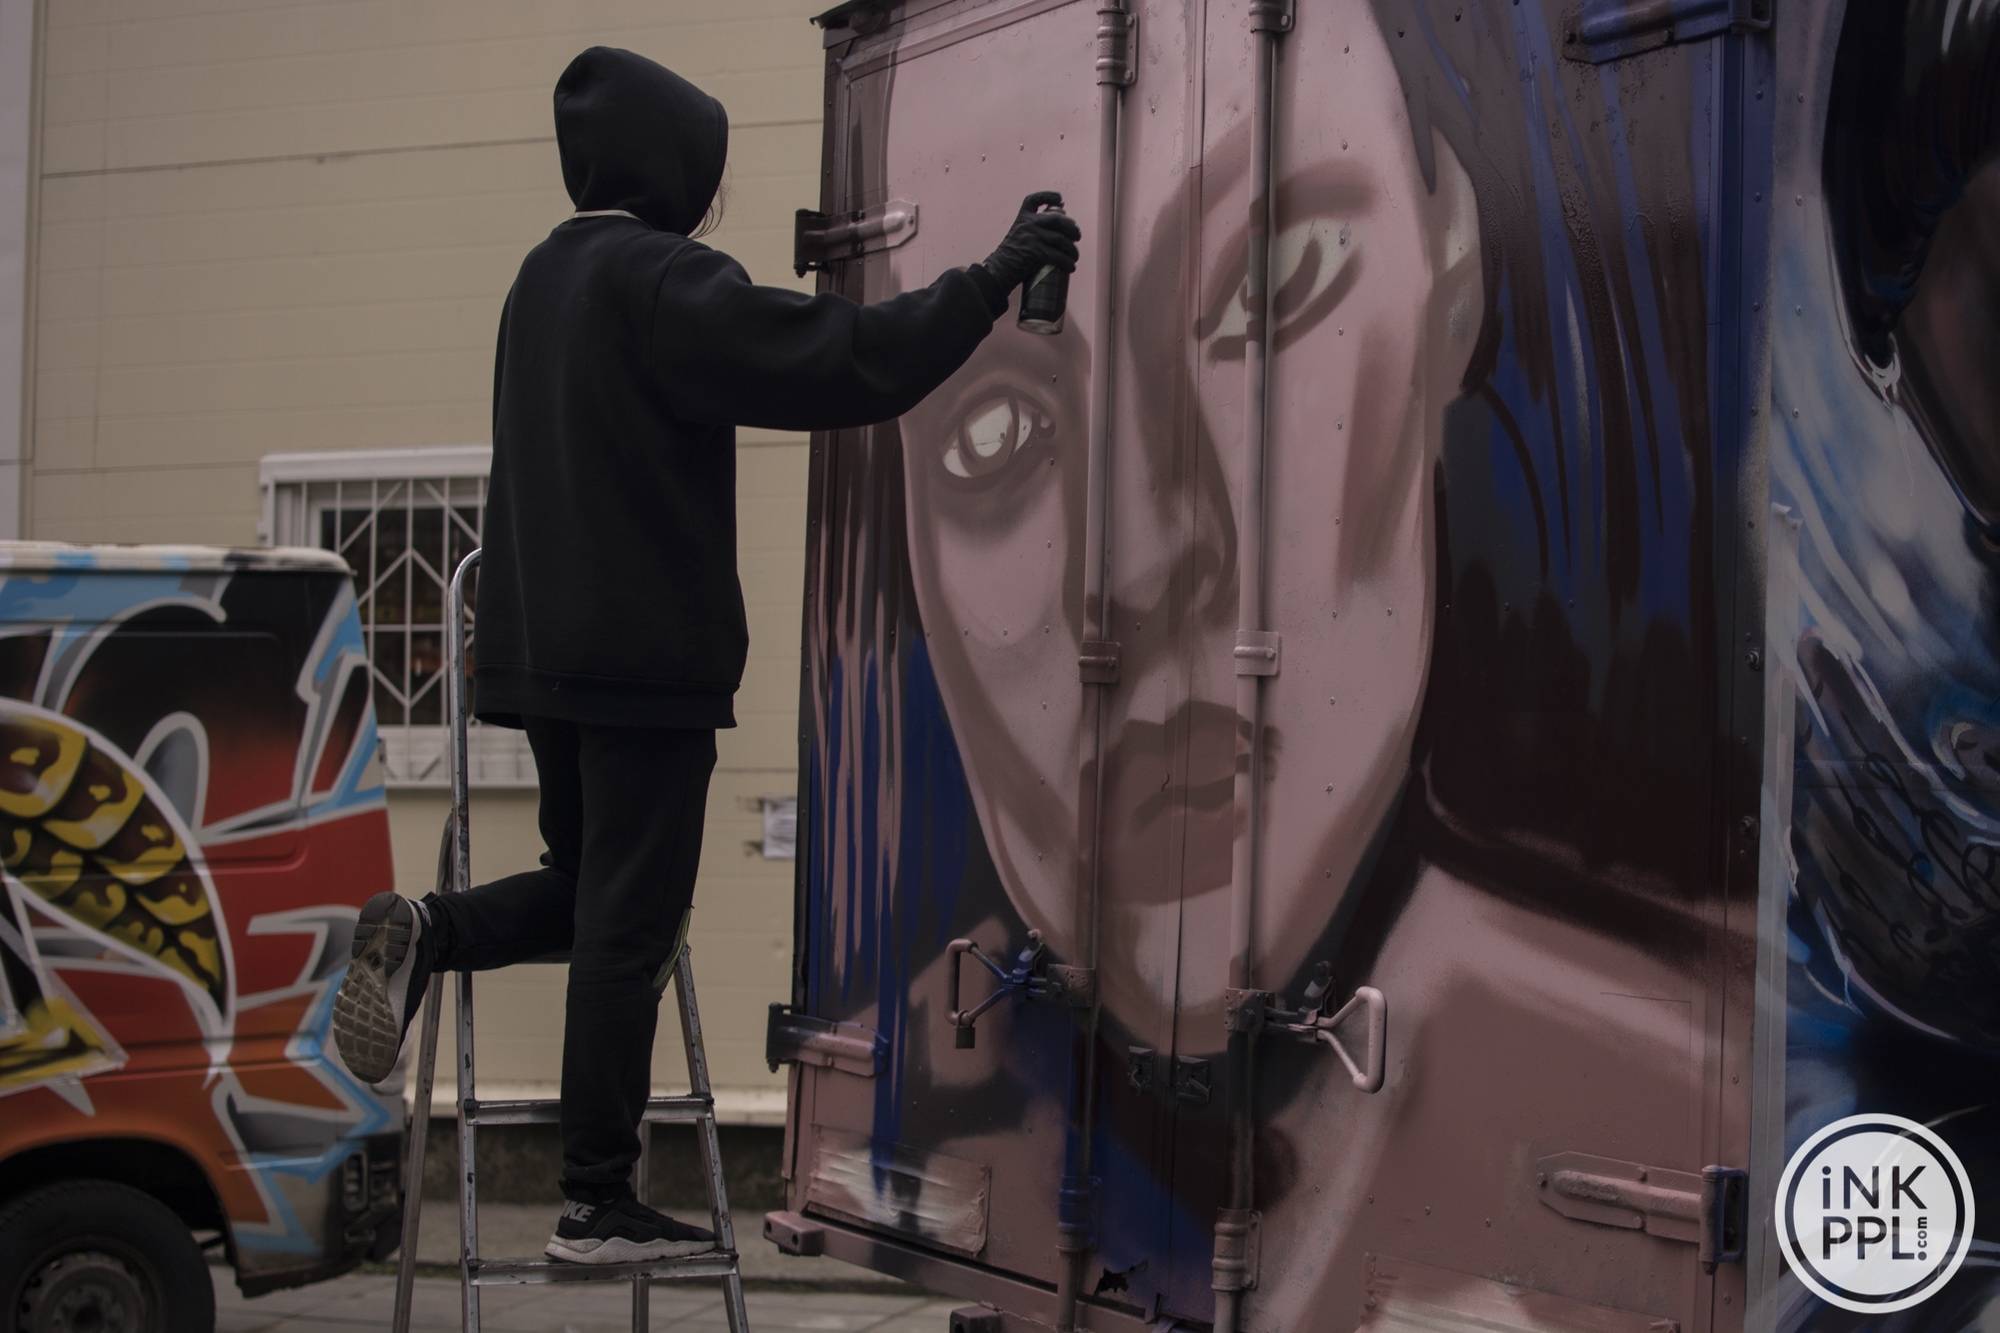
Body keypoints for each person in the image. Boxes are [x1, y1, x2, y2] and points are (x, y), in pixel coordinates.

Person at [330, 44, 1080, 1266]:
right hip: (643, 663)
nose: (715, 196)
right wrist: (990, 279)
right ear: (669, 163)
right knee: (632, 926)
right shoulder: (665, 280)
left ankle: (430, 928)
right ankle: (596, 1201)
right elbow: (847, 358)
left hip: (542, 654)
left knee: (590, 886)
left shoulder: (541, 278)